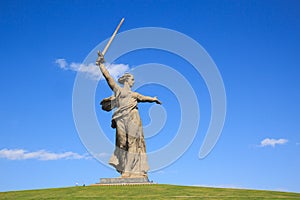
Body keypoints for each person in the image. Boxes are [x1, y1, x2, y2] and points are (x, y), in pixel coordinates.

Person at [96, 52, 161, 178]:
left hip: (133, 116)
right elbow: (108, 77)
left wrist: (153, 99)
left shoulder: (134, 95)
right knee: (122, 143)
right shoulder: (119, 91)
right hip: (120, 118)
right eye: (132, 79)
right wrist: (101, 65)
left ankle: (128, 170)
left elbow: (144, 98)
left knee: (132, 143)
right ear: (126, 80)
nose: (133, 82)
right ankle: (125, 167)